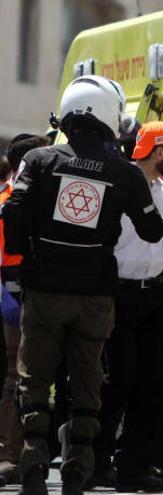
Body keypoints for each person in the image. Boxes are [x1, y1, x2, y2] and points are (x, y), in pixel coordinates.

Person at [3, 75, 163, 495]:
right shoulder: (124, 172)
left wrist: (26, 254)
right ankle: (77, 470)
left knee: (34, 379)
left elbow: (13, 213)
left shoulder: (38, 160)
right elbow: (152, 230)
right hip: (95, 297)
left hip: (44, 292)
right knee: (87, 382)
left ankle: (34, 467)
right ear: (109, 114)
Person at [90, 122, 163, 492]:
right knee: (121, 380)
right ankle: (96, 460)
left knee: (152, 384)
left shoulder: (162, 190)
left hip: (152, 295)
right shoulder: (119, 186)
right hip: (119, 295)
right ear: (158, 151)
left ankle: (134, 467)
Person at [0, 134, 52, 486]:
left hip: (26, 291)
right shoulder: (11, 197)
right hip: (14, 294)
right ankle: (8, 453)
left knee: (23, 377)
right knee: (16, 376)